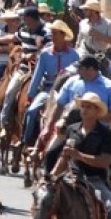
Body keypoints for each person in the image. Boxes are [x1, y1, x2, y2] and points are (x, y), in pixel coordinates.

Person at [26, 92, 111, 219]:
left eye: (89, 107)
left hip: (95, 179)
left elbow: (105, 161)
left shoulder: (106, 134)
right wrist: (51, 176)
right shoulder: (72, 129)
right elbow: (64, 157)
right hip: (71, 176)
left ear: (97, 111)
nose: (84, 110)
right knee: (46, 199)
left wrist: (80, 156)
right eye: (83, 106)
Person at [23, 20, 81, 149]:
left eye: (56, 33)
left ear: (63, 35)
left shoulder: (74, 55)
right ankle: (27, 142)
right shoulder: (45, 54)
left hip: (67, 92)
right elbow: (37, 75)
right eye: (52, 33)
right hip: (48, 89)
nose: (53, 37)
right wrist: (30, 95)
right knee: (32, 111)